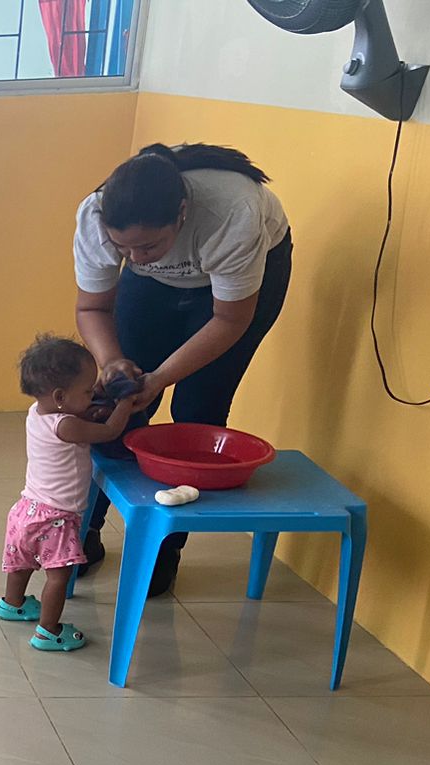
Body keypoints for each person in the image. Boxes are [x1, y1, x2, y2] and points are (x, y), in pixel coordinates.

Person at [74, 142, 292, 594]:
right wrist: (112, 362)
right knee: (117, 401)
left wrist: (160, 378)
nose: (135, 258)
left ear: (182, 213)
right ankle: (84, 534)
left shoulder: (233, 211)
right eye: (122, 247)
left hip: (242, 287)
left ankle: (164, 548)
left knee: (198, 411)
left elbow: (229, 320)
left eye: (148, 245)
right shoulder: (96, 215)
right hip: (156, 286)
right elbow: (92, 307)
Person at [0, 335, 153, 652]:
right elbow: (109, 431)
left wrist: (87, 410)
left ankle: (12, 604)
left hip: (27, 509)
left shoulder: (37, 412)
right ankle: (48, 631)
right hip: (57, 518)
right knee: (58, 577)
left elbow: (73, 417)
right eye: (88, 391)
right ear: (60, 396)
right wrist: (124, 403)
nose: (94, 394)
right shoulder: (67, 426)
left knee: (22, 563)